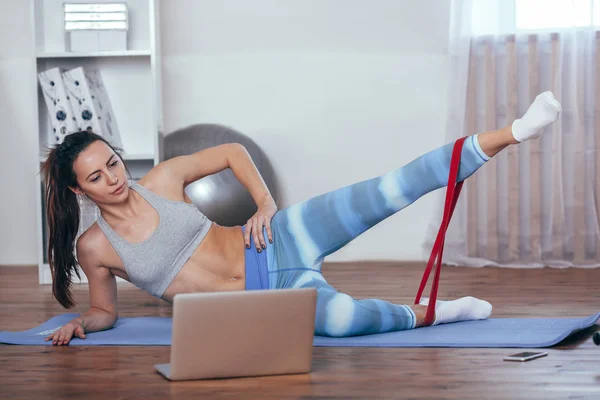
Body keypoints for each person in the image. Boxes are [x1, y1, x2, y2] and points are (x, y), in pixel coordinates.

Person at [42, 91, 562, 345]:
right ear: (76, 189)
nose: (113, 178)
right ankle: (438, 313)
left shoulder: (160, 180)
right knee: (343, 324)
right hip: (266, 300)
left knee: (388, 190)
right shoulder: (95, 247)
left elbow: (230, 151)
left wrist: (265, 205)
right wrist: (83, 323)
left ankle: (516, 131)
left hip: (277, 241)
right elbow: (107, 312)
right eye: (96, 177)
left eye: (112, 162)